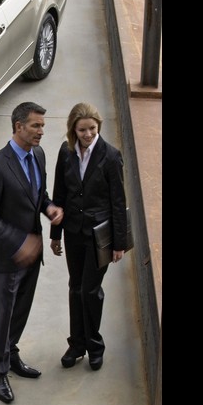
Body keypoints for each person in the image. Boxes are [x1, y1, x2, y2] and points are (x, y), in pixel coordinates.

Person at [0, 102, 64, 404]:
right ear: (18, 127)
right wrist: (18, 242)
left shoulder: (37, 155)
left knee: (21, 308)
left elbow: (38, 193)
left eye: (43, 125)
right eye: (36, 126)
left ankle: (10, 354)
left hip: (33, 253)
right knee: (3, 314)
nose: (42, 131)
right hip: (7, 256)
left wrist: (49, 207)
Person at [49, 103, 127, 371]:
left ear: (98, 126)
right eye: (82, 130)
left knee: (90, 290)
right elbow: (59, 193)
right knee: (75, 287)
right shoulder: (66, 152)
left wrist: (119, 244)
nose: (88, 134)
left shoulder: (111, 156)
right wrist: (55, 234)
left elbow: (118, 202)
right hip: (73, 231)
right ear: (73, 129)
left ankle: (94, 345)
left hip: (99, 236)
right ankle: (76, 344)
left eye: (92, 129)